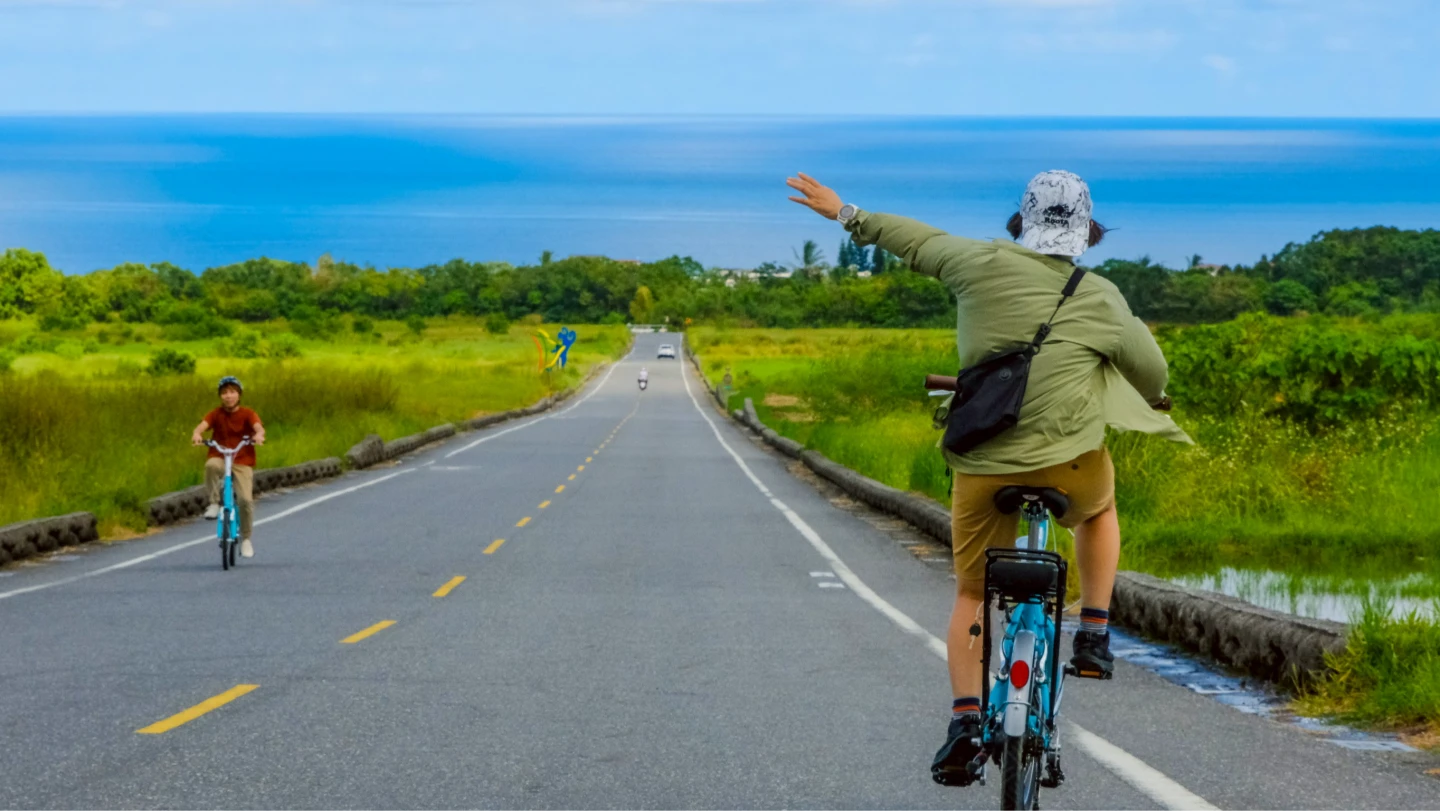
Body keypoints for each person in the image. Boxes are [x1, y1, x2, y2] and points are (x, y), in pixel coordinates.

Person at [786, 169, 1190, 786]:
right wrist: (1154, 400)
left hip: (982, 464)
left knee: (974, 594)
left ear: (1020, 223)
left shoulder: (977, 264)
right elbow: (1152, 373)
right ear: (1088, 231)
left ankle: (967, 720)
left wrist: (844, 213)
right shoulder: (1103, 296)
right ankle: (1095, 632)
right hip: (1070, 464)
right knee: (1099, 509)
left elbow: (912, 239)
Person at [190, 376, 266, 558]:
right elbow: (200, 427)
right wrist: (197, 435)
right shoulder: (216, 414)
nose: (228, 396)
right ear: (220, 396)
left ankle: (246, 539)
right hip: (220, 455)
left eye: (232, 392)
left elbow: (259, 428)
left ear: (239, 395)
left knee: (245, 501)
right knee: (210, 466)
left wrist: (259, 436)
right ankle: (214, 503)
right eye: (224, 393)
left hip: (242, 459)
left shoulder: (248, 413)